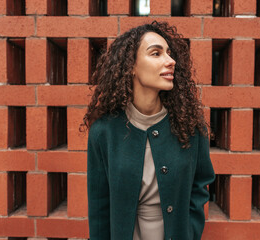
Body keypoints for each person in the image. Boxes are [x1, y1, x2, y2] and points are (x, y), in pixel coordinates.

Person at [82, 21, 215, 240]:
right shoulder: (104, 131)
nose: (170, 61)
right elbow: (99, 204)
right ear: (131, 66)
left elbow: (200, 186)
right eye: (156, 54)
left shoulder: (190, 125)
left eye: (169, 54)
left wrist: (190, 232)